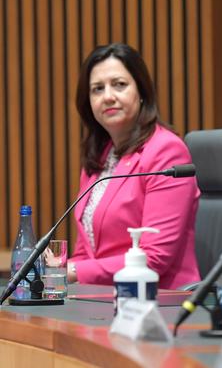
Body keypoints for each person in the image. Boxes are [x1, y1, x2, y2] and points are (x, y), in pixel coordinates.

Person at [68, 43, 201, 289]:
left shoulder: (166, 151)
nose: (108, 96)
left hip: (160, 301)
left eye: (119, 84)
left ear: (141, 92)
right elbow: (84, 251)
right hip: (99, 298)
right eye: (98, 89)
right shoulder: (98, 158)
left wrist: (74, 271)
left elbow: (154, 258)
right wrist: (59, 269)